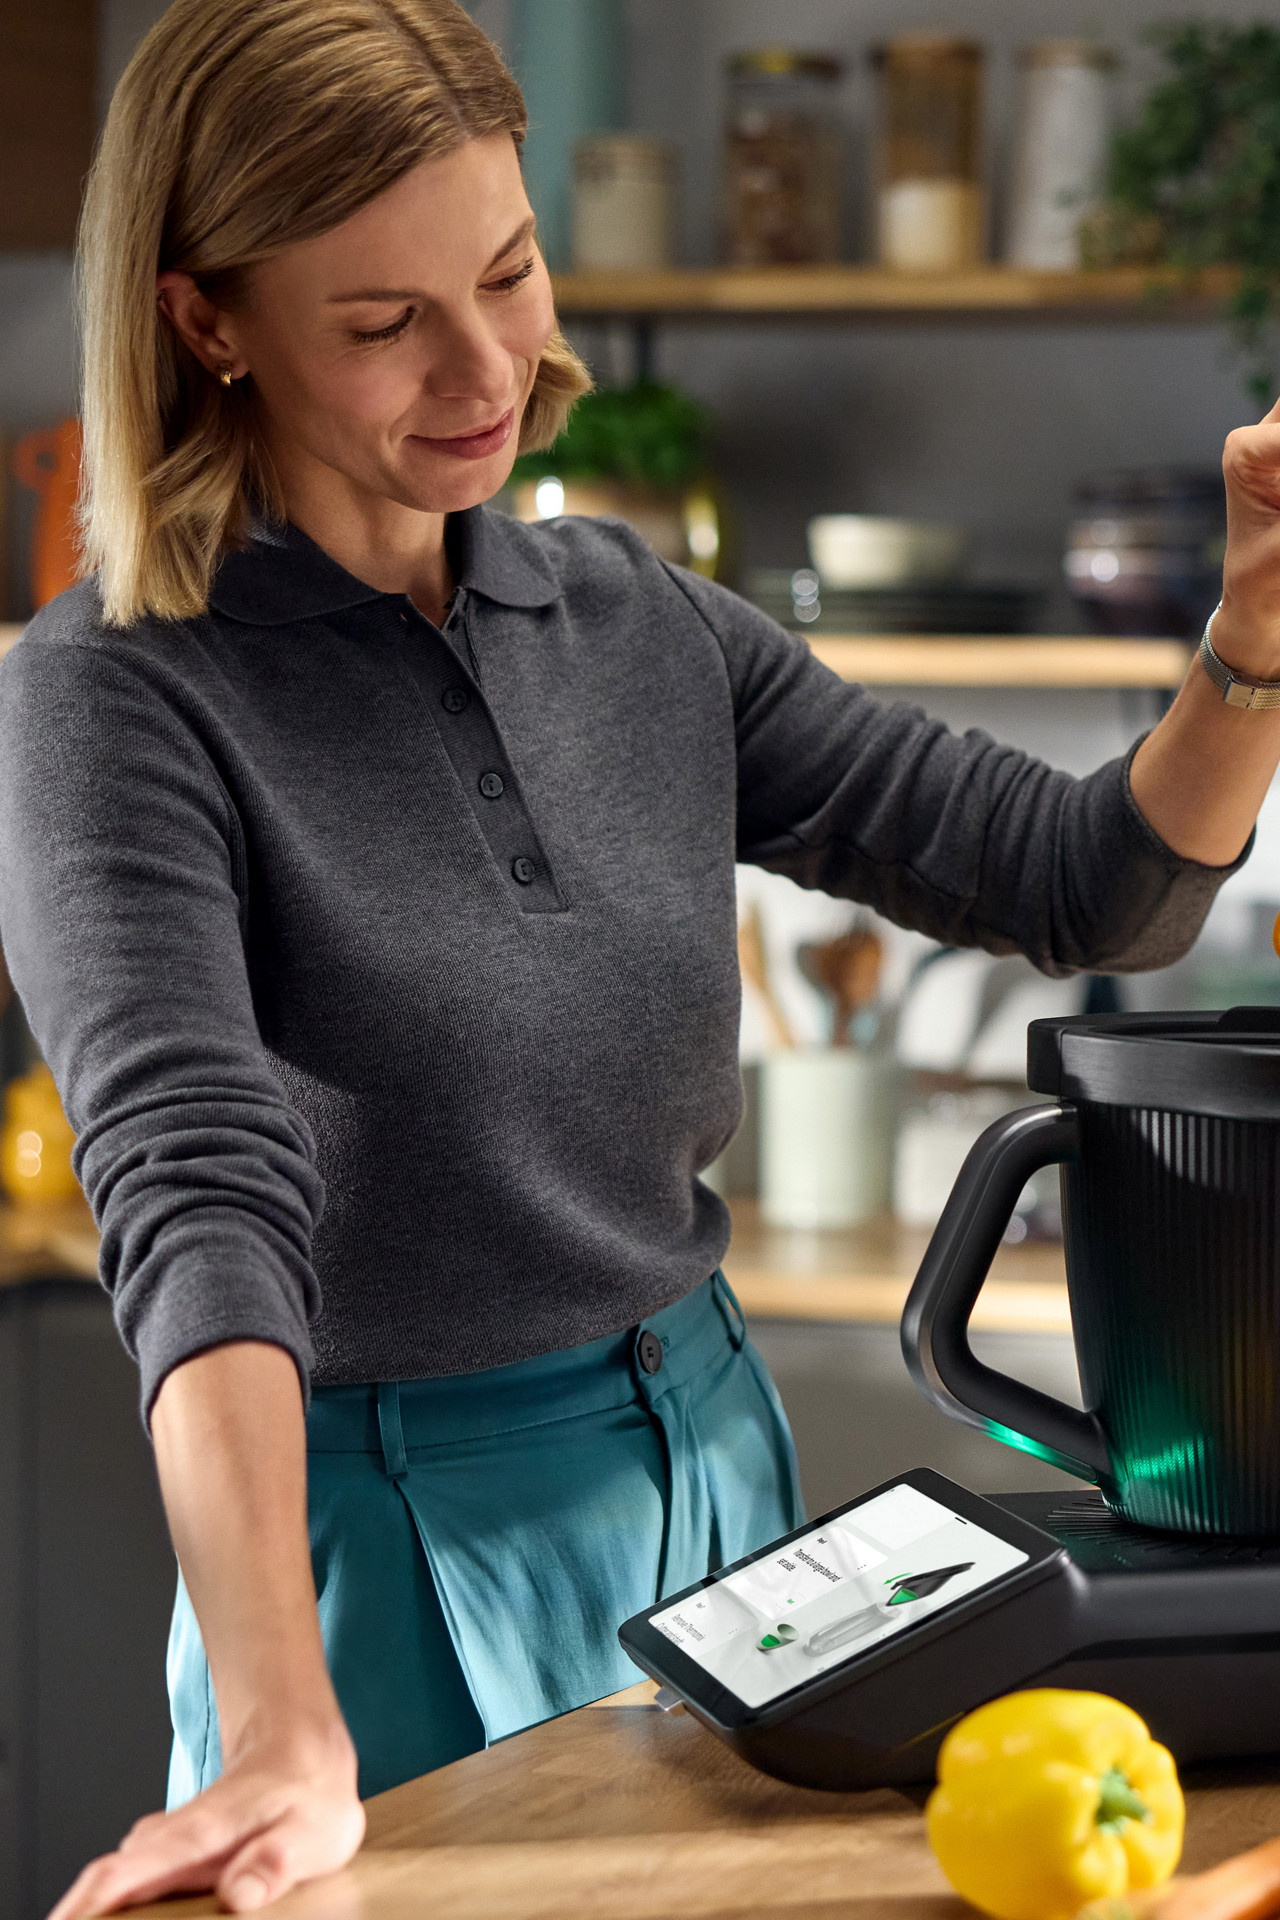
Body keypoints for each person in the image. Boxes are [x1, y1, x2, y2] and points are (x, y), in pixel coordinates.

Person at [5, 0, 1280, 1913]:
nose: (485, 367)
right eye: (381, 322)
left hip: (716, 1474)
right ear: (206, 322)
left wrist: (1251, 643)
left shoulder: (637, 622)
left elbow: (1088, 883)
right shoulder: (115, 695)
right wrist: (279, 1712)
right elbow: (193, 1190)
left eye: (509, 272)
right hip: (385, 1532)